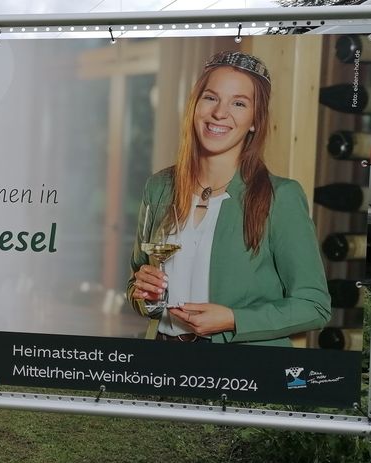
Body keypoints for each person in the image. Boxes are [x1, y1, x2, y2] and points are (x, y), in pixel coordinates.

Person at [127, 50, 330, 347]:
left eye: (238, 103)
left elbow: (315, 306)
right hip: (163, 359)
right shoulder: (159, 187)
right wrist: (142, 294)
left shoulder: (280, 197)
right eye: (211, 98)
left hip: (243, 373)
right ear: (195, 106)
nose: (220, 113)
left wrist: (234, 319)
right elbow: (135, 283)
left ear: (254, 121)